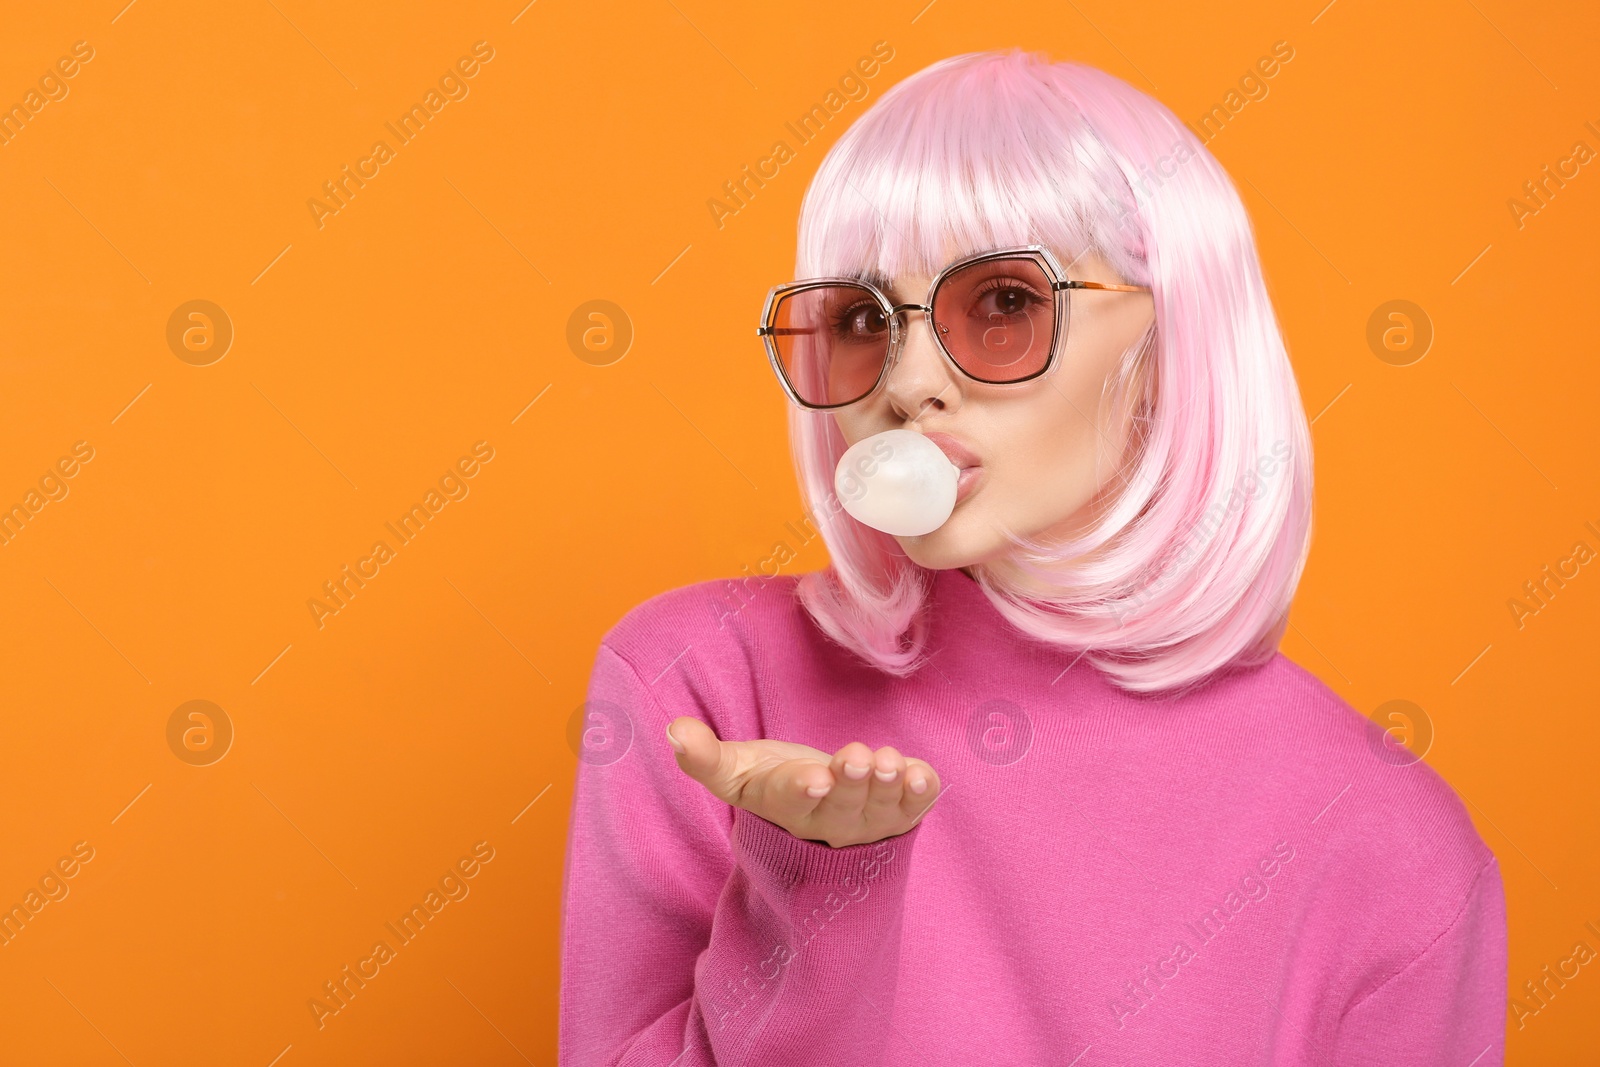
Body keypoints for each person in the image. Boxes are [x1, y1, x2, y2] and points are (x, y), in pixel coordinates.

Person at [558, 48, 1506, 1065]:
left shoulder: (1390, 850)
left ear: (1165, 343)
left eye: (1004, 303)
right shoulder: (695, 687)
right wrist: (815, 884)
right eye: (867, 320)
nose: (910, 382)